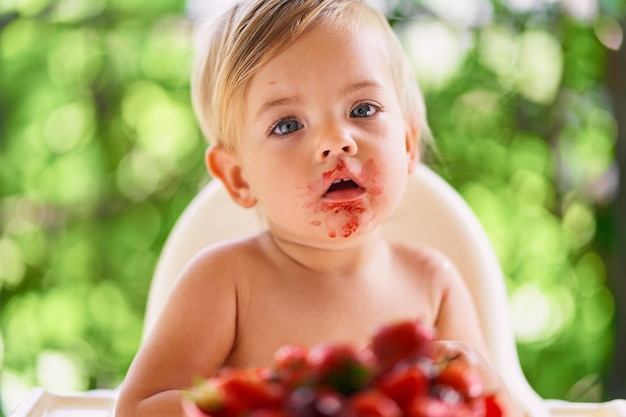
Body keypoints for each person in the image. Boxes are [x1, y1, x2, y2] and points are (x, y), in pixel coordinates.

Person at [115, 1, 523, 416]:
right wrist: (271, 395)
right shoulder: (224, 284)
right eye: (288, 125)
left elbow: (501, 406)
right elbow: (138, 408)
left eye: (362, 109)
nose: (336, 140)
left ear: (406, 143)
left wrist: (474, 383)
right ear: (239, 178)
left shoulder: (435, 284)